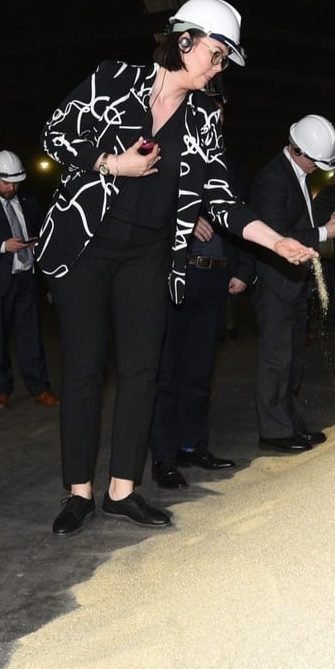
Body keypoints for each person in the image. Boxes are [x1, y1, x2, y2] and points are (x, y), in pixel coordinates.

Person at [38, 0, 318, 536]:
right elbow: (54, 134)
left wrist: (274, 240)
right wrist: (112, 163)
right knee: (85, 370)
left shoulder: (203, 118)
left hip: (150, 256)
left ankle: (123, 490)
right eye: (216, 54)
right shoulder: (113, 78)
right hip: (86, 249)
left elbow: (222, 196)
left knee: (143, 372)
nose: (218, 68)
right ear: (185, 40)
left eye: (224, 60)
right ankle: (79, 493)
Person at [148, 86, 253, 489]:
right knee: (167, 371)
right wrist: (186, 221)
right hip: (177, 274)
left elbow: (244, 219)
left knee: (199, 370)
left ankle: (194, 446)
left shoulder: (232, 166)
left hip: (215, 277)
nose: (214, 121)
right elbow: (144, 208)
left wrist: (244, 269)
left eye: (220, 114)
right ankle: (165, 457)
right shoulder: (163, 156)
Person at [250, 114, 335, 453]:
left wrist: (325, 224)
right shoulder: (272, 179)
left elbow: (297, 225)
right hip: (275, 283)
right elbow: (276, 235)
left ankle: (291, 424)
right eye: (315, 161)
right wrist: (323, 233)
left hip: (294, 281)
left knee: (292, 359)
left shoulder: (298, 175)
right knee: (276, 359)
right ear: (296, 148)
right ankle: (273, 432)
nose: (317, 168)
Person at [0, 150, 60, 410]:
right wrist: (2, 246)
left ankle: (39, 388)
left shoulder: (30, 202)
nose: (12, 187)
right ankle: (0, 390)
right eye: (7, 182)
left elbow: (42, 232)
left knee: (32, 337)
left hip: (26, 280)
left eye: (16, 182)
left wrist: (39, 243)